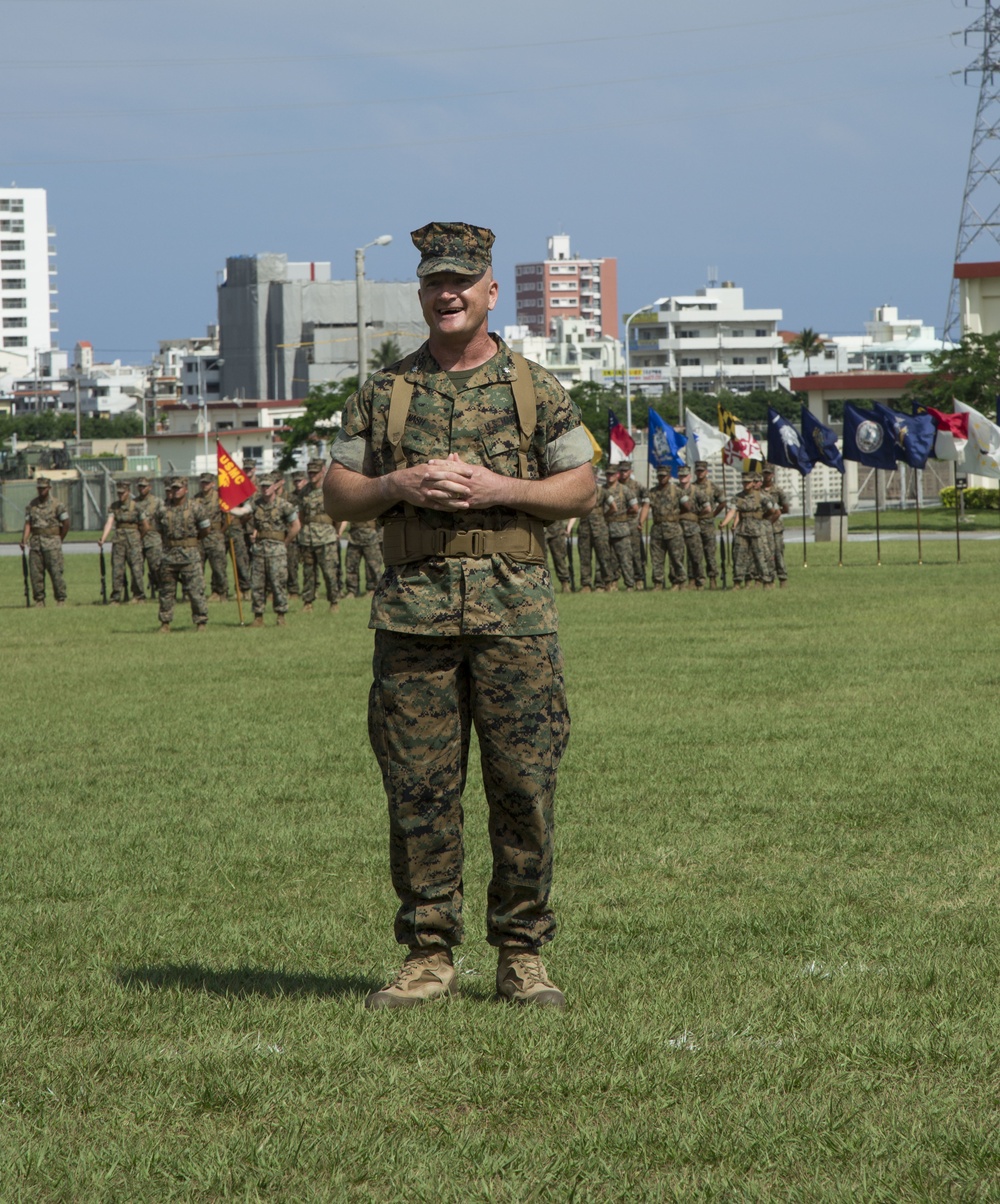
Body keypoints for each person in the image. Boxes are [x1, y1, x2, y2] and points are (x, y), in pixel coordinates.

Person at [324, 221, 594, 1009]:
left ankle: (521, 955)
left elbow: (580, 489)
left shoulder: (534, 387)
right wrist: (395, 488)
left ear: (488, 291)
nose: (448, 295)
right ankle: (427, 957)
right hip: (414, 619)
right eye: (435, 284)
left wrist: (498, 489)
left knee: (524, 786)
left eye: (461, 282)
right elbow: (339, 493)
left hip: (516, 620)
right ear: (422, 294)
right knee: (418, 790)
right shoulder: (384, 393)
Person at [144, 476, 210, 632]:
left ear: (186, 489)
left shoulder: (196, 507)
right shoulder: (163, 509)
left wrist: (192, 540)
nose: (175, 491)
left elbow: (206, 529)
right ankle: (165, 623)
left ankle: (201, 622)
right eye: (173, 488)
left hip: (190, 555)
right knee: (166, 592)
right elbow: (157, 529)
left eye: (179, 488)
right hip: (169, 556)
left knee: (195, 590)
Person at [245, 472, 301, 626]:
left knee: (278, 583)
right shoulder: (256, 504)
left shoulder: (284, 505)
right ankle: (258, 617)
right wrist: (228, 507)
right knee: (257, 584)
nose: (265, 489)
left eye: (268, 486)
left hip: (277, 551)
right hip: (259, 550)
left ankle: (281, 615)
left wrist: (285, 542)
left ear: (274, 487)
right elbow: (244, 512)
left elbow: (296, 526)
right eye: (262, 486)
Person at [297, 458, 342, 612]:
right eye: (310, 472)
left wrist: (336, 533)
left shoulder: (329, 489)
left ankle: (334, 602)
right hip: (308, 538)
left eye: (315, 472)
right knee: (308, 573)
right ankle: (308, 602)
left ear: (322, 471)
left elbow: (338, 515)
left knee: (329, 572)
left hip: (326, 538)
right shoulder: (304, 491)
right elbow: (301, 516)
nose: (312, 475)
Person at [21, 476, 70, 606]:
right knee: (36, 574)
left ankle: (60, 599)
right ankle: (39, 599)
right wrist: (24, 540)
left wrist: (59, 539)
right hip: (36, 544)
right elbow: (28, 524)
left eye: (44, 488)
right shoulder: (31, 505)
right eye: (39, 488)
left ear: (49, 488)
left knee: (56, 572)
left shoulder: (57, 505)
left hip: (52, 544)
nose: (41, 490)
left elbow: (66, 523)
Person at [721, 472, 774, 589]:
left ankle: (766, 581)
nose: (746, 484)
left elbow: (771, 510)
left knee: (760, 557)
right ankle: (737, 582)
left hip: (756, 530)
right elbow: (732, 511)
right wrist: (724, 523)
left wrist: (761, 517)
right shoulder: (738, 497)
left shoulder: (761, 497)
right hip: (742, 530)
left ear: (753, 483)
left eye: (748, 482)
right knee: (739, 557)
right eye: (744, 482)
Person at [98, 478, 146, 604]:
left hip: (133, 541)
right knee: (117, 569)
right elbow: (109, 522)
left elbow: (145, 525)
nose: (120, 495)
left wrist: (139, 538)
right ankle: (116, 597)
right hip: (119, 541)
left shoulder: (137, 506)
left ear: (128, 492)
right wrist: (103, 538)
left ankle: (138, 596)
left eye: (123, 493)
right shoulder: (114, 507)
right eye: (118, 493)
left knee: (136, 569)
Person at [647, 466, 687, 590]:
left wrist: (675, 516)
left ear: (669, 476)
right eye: (659, 475)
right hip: (657, 530)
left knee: (676, 558)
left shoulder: (677, 490)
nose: (661, 478)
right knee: (656, 559)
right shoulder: (652, 492)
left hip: (673, 529)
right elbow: (646, 506)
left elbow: (687, 506)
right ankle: (658, 583)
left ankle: (678, 582)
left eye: (664, 475)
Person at [577, 465, 615, 593]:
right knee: (585, 558)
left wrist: (604, 516)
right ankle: (586, 585)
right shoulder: (580, 492)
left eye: (592, 476)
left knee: (603, 557)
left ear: (596, 477)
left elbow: (613, 507)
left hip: (600, 529)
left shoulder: (602, 491)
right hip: (584, 529)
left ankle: (606, 583)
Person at [603, 464, 638, 590]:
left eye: (612, 474)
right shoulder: (602, 490)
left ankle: (629, 584)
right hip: (605, 529)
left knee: (625, 559)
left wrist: (623, 515)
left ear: (617, 475)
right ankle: (613, 583)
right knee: (609, 559)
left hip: (621, 529)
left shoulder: (625, 490)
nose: (610, 476)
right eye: (608, 474)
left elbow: (635, 508)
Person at [196, 472, 229, 601]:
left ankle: (222, 592)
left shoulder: (220, 498)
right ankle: (199, 593)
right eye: (203, 482)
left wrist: (221, 531)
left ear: (213, 484)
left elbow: (228, 517)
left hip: (216, 536)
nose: (204, 485)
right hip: (200, 537)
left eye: (207, 483)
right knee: (198, 568)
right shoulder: (196, 499)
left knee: (218, 567)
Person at [616, 461, 649, 589]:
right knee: (620, 553)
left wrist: (641, 521)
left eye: (626, 471)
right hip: (618, 524)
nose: (624, 473)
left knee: (636, 552)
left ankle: (639, 578)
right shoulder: (615, 486)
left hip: (633, 522)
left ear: (630, 471)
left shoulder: (637, 487)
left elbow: (646, 504)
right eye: (622, 471)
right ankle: (619, 579)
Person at [134, 477, 165, 596]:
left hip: (153, 539)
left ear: (150, 487)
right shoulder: (134, 503)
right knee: (137, 568)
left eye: (144, 486)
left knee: (156, 567)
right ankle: (138, 594)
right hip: (137, 538)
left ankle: (161, 591)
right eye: (140, 486)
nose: (141, 489)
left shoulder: (157, 502)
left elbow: (163, 519)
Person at [676, 465, 706, 589]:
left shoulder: (697, 490)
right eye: (681, 475)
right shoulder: (674, 490)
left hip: (693, 527)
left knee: (696, 556)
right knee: (678, 557)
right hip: (676, 527)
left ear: (690, 476)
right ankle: (681, 582)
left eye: (685, 475)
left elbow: (707, 507)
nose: (683, 478)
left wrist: (696, 516)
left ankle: (700, 582)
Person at [761, 463, 790, 587]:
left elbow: (786, 508)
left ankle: (782, 578)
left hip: (776, 527)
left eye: (769, 473)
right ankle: (770, 579)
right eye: (765, 473)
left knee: (778, 553)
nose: (766, 476)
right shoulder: (758, 490)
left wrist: (773, 515)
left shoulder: (778, 490)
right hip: (763, 527)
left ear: (772, 474)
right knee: (766, 554)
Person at [344, 518, 384, 598]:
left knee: (372, 566)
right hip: (354, 537)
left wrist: (380, 538)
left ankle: (372, 590)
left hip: (371, 537)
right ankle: (352, 591)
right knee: (351, 565)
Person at [287, 468, 307, 601]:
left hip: (308, 534)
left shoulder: (310, 494)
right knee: (292, 563)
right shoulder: (290, 497)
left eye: (300, 481)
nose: (297, 484)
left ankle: (312, 589)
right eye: (295, 481)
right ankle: (293, 590)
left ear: (305, 481)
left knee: (310, 564)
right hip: (295, 535)